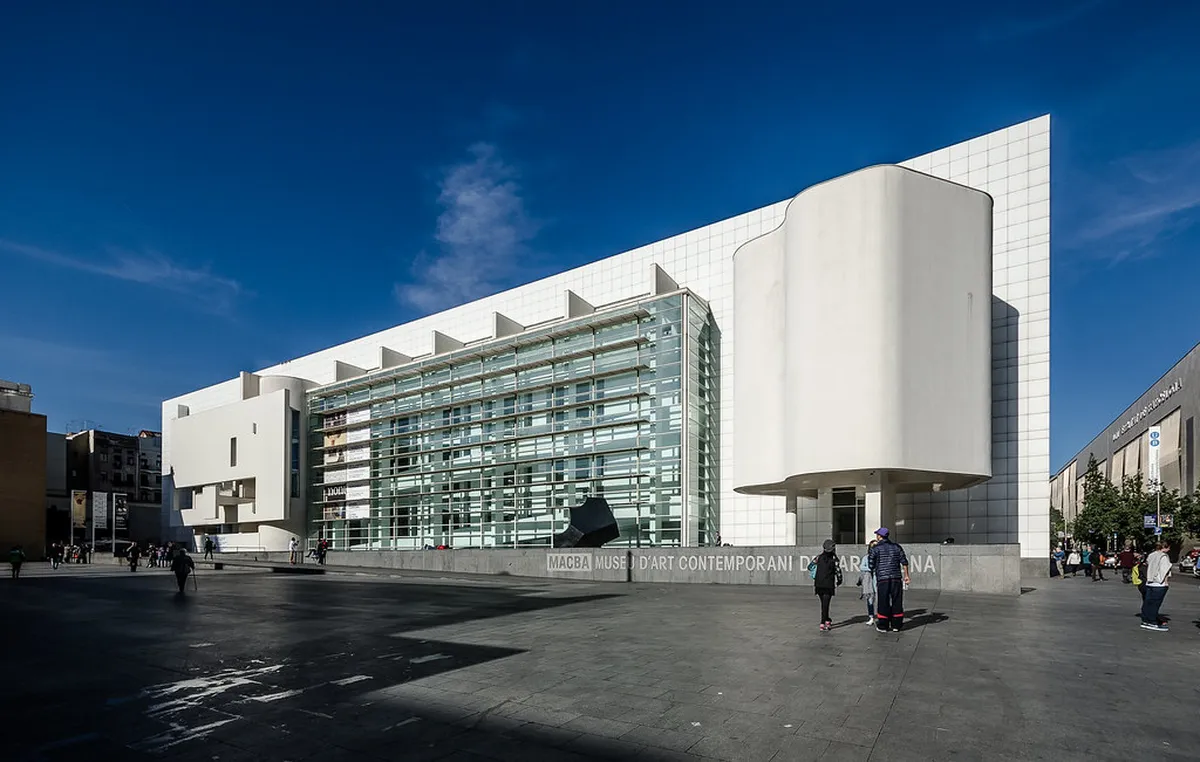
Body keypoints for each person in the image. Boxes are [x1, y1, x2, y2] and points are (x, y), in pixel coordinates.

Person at [868, 527, 910, 632]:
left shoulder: (875, 548)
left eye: (877, 534)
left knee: (883, 601)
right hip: (896, 577)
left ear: (879, 536)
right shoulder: (897, 547)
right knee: (897, 601)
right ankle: (896, 625)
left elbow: (871, 565)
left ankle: (883, 625)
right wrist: (906, 576)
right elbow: (904, 562)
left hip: (883, 578)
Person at [810, 539, 842, 631]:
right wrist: (839, 580)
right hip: (828, 584)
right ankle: (823, 622)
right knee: (826, 604)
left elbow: (810, 566)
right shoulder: (834, 559)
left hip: (819, 583)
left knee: (823, 604)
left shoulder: (818, 557)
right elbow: (838, 571)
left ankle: (827, 620)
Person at [1141, 540, 1172, 632]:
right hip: (1159, 583)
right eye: (1169, 547)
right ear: (1165, 547)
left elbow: (1147, 564)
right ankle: (1152, 622)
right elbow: (1164, 570)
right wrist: (1166, 582)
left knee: (1148, 602)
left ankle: (1146, 620)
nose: (1169, 549)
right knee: (1155, 603)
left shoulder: (1151, 555)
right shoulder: (1164, 556)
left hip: (1150, 581)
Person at [858, 540, 878, 624]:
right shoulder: (866, 557)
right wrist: (870, 569)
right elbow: (862, 567)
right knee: (870, 599)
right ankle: (871, 617)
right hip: (869, 580)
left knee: (880, 599)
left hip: (877, 580)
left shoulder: (880, 557)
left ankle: (882, 616)